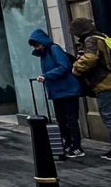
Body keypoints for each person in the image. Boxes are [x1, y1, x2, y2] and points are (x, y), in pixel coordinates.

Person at [71, 17, 111, 161]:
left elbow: (90, 58)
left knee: (109, 117)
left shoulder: (90, 40)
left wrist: (76, 67)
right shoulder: (101, 36)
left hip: (106, 83)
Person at [30, 29, 84, 158]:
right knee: (61, 119)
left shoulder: (54, 49)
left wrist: (46, 76)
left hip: (68, 89)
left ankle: (77, 147)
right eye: (35, 45)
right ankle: (68, 143)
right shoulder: (44, 54)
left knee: (71, 119)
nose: (37, 47)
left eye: (37, 44)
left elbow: (64, 66)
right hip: (57, 91)